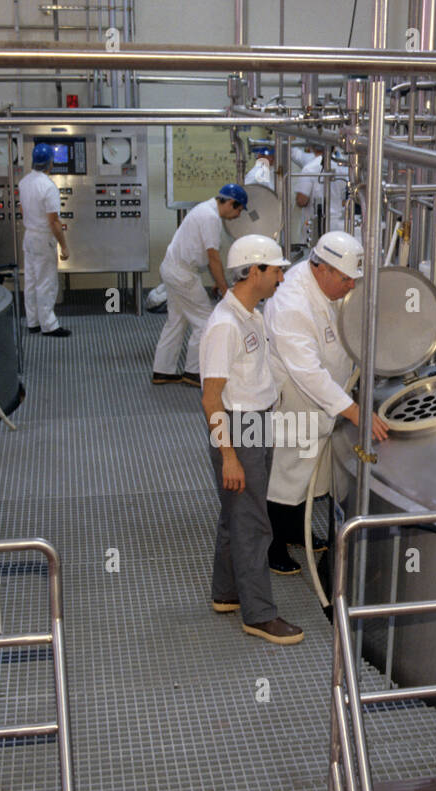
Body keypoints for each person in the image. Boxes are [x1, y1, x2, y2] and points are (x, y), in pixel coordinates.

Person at [264, 230, 389, 574]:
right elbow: (307, 370)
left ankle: (293, 531)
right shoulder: (292, 303)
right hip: (296, 397)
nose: (351, 287)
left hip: (324, 395)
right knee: (287, 472)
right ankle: (271, 546)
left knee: (309, 471)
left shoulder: (327, 286)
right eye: (346, 280)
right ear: (323, 269)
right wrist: (352, 409)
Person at [200, 234, 305, 645]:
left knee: (238, 514)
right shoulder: (225, 326)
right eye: (275, 269)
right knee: (254, 523)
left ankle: (226, 593)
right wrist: (229, 455)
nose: (281, 276)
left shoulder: (252, 315)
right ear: (253, 271)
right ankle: (259, 615)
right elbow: (210, 398)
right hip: (238, 426)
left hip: (256, 420)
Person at [152, 184, 246, 387]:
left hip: (172, 267)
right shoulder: (210, 218)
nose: (238, 215)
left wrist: (218, 281)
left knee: (176, 321)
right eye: (238, 209)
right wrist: (224, 289)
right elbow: (213, 258)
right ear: (230, 203)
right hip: (182, 275)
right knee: (205, 321)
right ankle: (193, 372)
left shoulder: (204, 209)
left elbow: (208, 256)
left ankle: (163, 371)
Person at [19, 141, 70, 336]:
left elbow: (22, 209)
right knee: (46, 282)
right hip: (42, 238)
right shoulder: (48, 187)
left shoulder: (24, 183)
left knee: (31, 281)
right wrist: (64, 246)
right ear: (50, 163)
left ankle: (33, 322)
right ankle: (49, 325)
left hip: (29, 237)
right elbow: (54, 222)